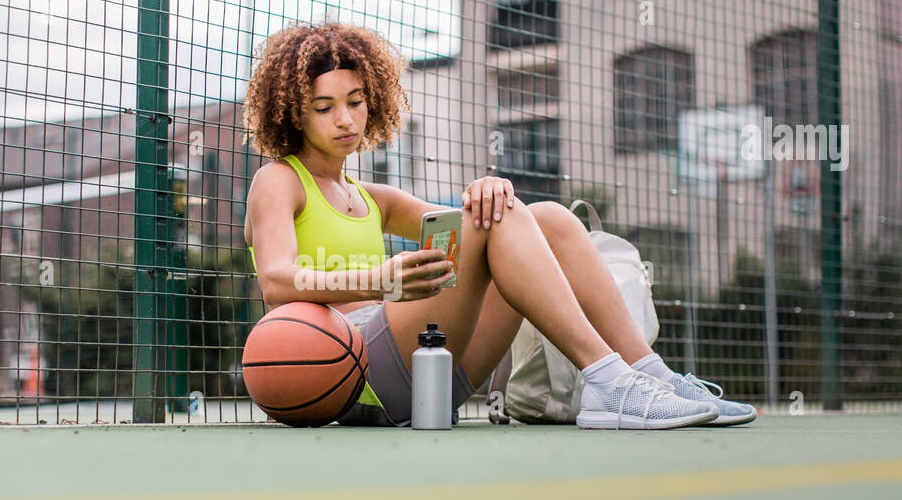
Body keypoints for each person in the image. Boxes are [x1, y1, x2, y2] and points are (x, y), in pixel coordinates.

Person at [242, 21, 756, 429]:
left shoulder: (370, 196)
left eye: (355, 102)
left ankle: (649, 375)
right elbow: (276, 282)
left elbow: (471, 224)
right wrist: (380, 282)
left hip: (432, 376)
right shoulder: (279, 181)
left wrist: (486, 189)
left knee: (547, 217)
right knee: (499, 219)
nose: (346, 120)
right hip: (348, 376)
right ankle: (607, 381)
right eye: (324, 108)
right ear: (294, 114)